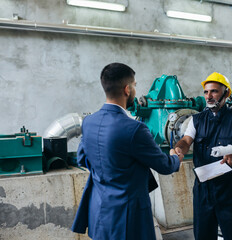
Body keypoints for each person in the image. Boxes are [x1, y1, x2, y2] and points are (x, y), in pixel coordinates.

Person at [71, 62, 183, 240]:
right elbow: (164, 166)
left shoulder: (89, 122)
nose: (135, 91)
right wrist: (175, 157)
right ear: (127, 89)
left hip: (98, 212)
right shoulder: (135, 129)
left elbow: (82, 159)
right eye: (135, 86)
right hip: (127, 218)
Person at [173, 72, 232, 240]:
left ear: (226, 93)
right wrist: (179, 149)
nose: (209, 96)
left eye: (214, 91)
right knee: (203, 235)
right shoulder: (196, 120)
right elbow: (186, 139)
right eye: (206, 92)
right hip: (203, 189)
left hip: (230, 189)